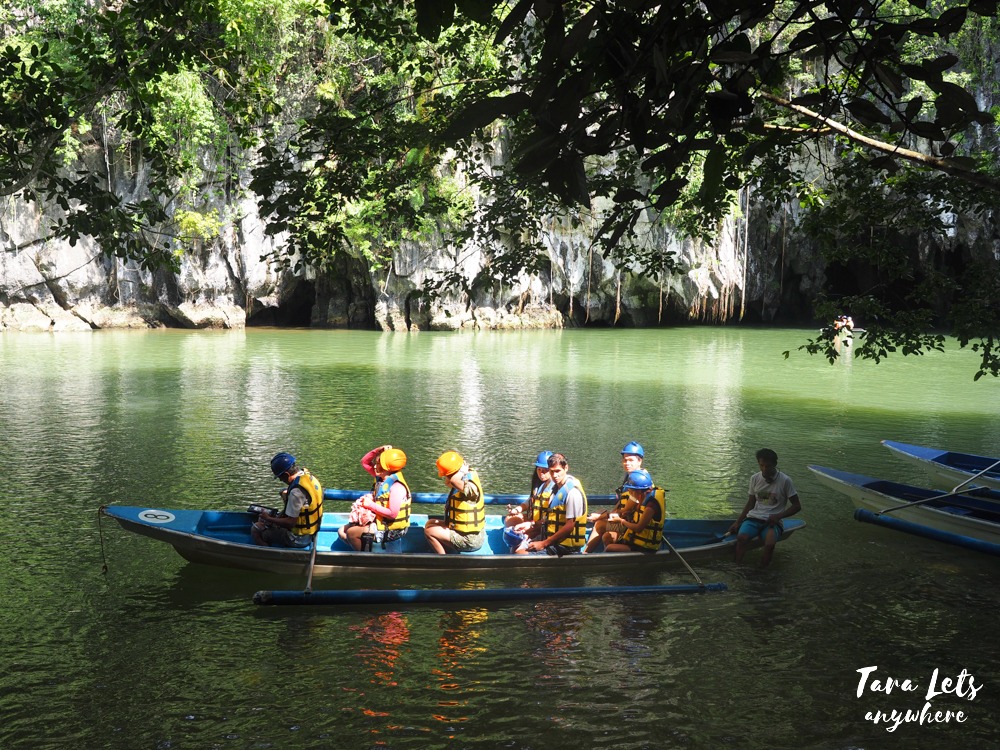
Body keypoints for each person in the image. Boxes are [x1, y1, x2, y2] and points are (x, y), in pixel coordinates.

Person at [728, 448, 801, 567]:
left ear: (775, 464)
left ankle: (762, 571)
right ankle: (737, 567)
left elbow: (797, 506)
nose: (764, 469)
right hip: (754, 517)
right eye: (761, 465)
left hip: (773, 521)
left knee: (769, 544)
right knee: (741, 538)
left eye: (768, 466)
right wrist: (738, 522)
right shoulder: (755, 478)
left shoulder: (785, 480)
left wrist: (778, 516)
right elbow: (751, 503)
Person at [339, 444, 412, 551]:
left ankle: (366, 560)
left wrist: (370, 505)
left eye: (378, 464)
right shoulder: (381, 478)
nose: (374, 466)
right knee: (341, 531)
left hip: (392, 530)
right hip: (379, 521)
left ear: (387, 468)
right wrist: (378, 450)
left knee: (351, 533)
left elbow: (392, 514)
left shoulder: (397, 487)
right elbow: (364, 462)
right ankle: (367, 550)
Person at [251, 452, 324, 547]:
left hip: (298, 538)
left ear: (286, 474)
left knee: (256, 529)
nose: (281, 480)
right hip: (313, 531)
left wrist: (269, 519)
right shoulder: (308, 477)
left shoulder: (296, 492)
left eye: (280, 477)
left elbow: (290, 523)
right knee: (283, 494)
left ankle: (266, 553)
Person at [584, 441, 645, 554]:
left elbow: (626, 511)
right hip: (626, 520)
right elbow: (621, 503)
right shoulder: (630, 477)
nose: (627, 463)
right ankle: (612, 556)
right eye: (625, 460)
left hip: (631, 524)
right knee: (607, 536)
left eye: (631, 460)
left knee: (600, 525)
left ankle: (585, 555)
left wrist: (602, 517)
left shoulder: (639, 482)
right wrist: (604, 514)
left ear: (640, 461)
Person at [524, 453, 588, 555]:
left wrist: (544, 543)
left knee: (521, 554)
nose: (555, 475)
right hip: (552, 542)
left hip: (566, 548)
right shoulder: (555, 490)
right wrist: (530, 525)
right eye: (552, 471)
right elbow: (549, 518)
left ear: (566, 468)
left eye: (558, 471)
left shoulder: (573, 492)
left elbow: (570, 526)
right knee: (519, 546)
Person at [424, 451, 485, 554]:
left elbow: (453, 481)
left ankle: (444, 560)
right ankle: (450, 550)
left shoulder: (470, 488)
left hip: (469, 539)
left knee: (429, 532)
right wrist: (459, 472)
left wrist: (461, 471)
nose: (447, 478)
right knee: (430, 523)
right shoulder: (462, 480)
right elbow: (449, 482)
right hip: (460, 531)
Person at [602, 470, 667, 553]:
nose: (630, 493)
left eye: (631, 491)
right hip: (633, 540)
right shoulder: (642, 497)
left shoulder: (651, 505)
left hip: (645, 548)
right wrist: (626, 513)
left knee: (610, 548)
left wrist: (621, 521)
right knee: (607, 537)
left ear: (639, 491)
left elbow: (638, 528)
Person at [504, 451, 553, 551]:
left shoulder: (555, 488)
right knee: (510, 519)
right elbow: (531, 500)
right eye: (539, 469)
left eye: (545, 470)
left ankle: (519, 548)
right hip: (534, 521)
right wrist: (517, 509)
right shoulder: (540, 485)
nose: (541, 473)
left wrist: (533, 525)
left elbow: (550, 517)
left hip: (542, 525)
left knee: (516, 543)